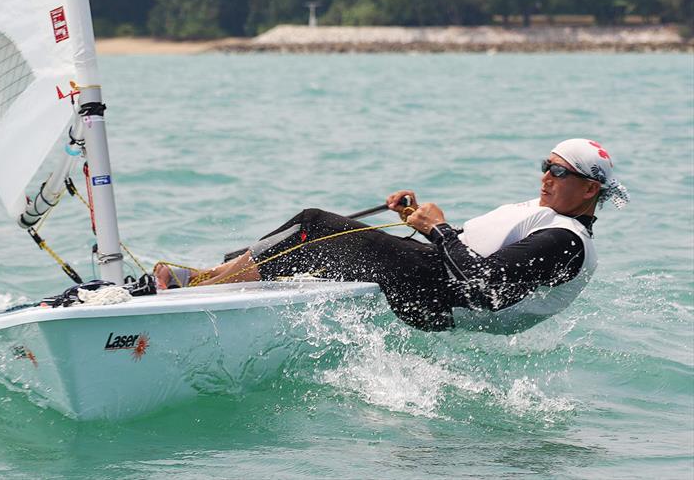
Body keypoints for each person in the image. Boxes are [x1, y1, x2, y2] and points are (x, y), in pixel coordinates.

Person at [154, 139, 629, 334]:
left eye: (558, 171)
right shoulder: (542, 212)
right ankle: (216, 277)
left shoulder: (566, 240)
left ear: (590, 188)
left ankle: (199, 288)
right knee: (307, 236)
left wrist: (438, 229)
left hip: (441, 300)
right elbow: (466, 250)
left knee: (314, 225)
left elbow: (486, 291)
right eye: (544, 166)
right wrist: (416, 220)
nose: (545, 176)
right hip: (432, 276)